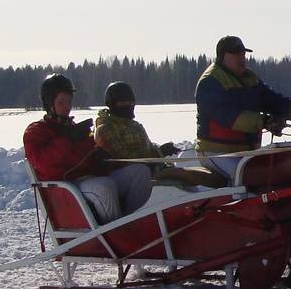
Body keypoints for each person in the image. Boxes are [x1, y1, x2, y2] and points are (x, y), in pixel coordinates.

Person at [23, 74, 152, 223]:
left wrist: (99, 156)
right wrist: (68, 139)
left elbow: (89, 156)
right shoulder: (36, 131)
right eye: (61, 102)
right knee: (105, 187)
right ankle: (119, 231)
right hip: (67, 186)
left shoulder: (74, 128)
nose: (67, 106)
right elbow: (42, 163)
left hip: (90, 179)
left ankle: (135, 222)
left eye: (69, 101)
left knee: (140, 172)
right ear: (49, 104)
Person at [195, 36, 291, 180]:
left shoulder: (250, 78)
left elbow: (274, 101)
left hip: (247, 153)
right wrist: (265, 122)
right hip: (216, 153)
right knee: (249, 180)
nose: (242, 58)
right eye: (236, 54)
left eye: (243, 54)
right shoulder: (210, 82)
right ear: (222, 56)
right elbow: (229, 116)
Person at [94, 81, 215, 188]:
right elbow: (125, 159)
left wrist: (161, 149)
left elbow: (148, 149)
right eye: (124, 102)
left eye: (131, 102)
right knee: (194, 175)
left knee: (205, 173)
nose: (129, 105)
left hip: (153, 169)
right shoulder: (106, 129)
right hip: (132, 178)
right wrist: (159, 153)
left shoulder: (135, 126)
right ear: (113, 104)